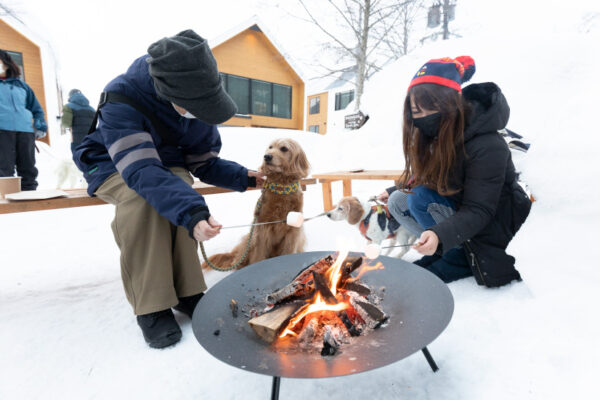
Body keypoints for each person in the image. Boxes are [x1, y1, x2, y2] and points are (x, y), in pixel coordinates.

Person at [73, 30, 265, 349]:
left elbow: (202, 161)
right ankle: (152, 305)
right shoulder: (122, 96)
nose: (199, 114)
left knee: (180, 185)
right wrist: (192, 214)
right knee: (142, 200)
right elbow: (141, 170)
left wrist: (244, 177)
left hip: (163, 159)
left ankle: (188, 291)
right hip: (112, 160)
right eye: (193, 107)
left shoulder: (197, 100)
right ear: (169, 92)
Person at [379, 56, 531, 288]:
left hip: (494, 227)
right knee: (399, 200)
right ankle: (446, 248)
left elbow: (480, 208)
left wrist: (440, 234)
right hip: (461, 212)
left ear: (450, 102)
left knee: (420, 198)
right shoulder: (442, 134)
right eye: (415, 112)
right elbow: (428, 175)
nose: (422, 119)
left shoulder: (487, 144)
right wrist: (393, 189)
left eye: (429, 108)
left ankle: (459, 255)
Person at [0, 49, 48, 190]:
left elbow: (36, 109)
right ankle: (5, 200)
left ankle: (29, 196)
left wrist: (40, 126)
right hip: (2, 131)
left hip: (25, 131)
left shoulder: (22, 86)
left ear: (6, 64)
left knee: (28, 166)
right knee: (4, 167)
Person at [61, 89, 95, 153]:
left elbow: (66, 124)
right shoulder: (92, 109)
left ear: (70, 96)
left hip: (76, 141)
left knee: (79, 160)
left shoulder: (68, 106)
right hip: (91, 141)